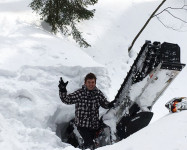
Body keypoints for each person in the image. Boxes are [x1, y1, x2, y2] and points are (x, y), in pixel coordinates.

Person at [58, 73, 116, 150]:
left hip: (94, 127)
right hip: (82, 126)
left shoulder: (98, 93)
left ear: (95, 83)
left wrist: (109, 104)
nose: (91, 84)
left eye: (93, 82)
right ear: (85, 83)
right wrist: (62, 90)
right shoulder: (80, 93)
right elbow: (67, 100)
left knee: (94, 145)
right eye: (89, 82)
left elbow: (104, 103)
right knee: (89, 145)